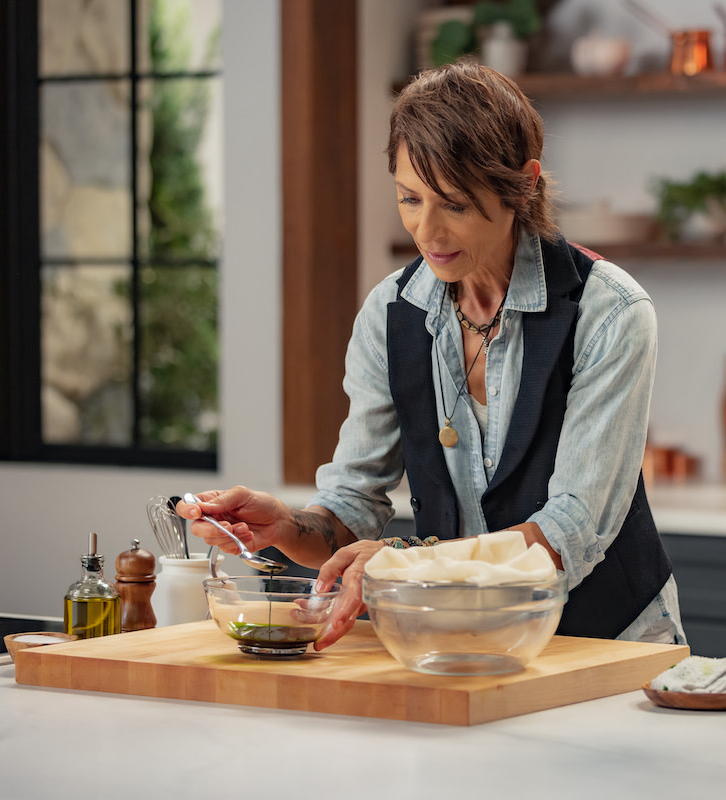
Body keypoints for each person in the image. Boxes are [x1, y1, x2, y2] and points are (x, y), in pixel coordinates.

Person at [178, 60, 684, 651]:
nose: (428, 232)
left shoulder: (610, 311)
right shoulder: (390, 313)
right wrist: (287, 527)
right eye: (410, 199)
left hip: (606, 641)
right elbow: (352, 508)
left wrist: (403, 561)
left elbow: (571, 528)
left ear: (523, 184)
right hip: (459, 648)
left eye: (456, 205)